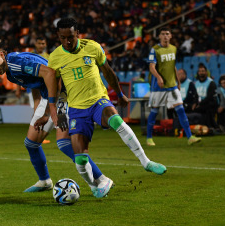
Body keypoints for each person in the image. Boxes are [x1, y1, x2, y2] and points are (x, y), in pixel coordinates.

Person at [46, 17, 167, 199]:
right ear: (58, 36)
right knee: (80, 159)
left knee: (116, 120)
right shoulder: (55, 57)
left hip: (98, 101)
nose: (67, 41)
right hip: (77, 110)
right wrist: (55, 111)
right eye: (63, 38)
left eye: (70, 36)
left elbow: (108, 72)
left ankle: (146, 162)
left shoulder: (93, 47)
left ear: (77, 33)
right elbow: (54, 86)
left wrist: (119, 95)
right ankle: (94, 185)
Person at [0, 43, 109, 193]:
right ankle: (45, 181)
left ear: (1, 55)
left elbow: (50, 74)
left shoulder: (15, 64)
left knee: (65, 143)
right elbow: (34, 82)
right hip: (49, 96)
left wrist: (49, 111)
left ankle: (101, 179)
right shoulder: (11, 70)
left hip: (63, 94)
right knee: (31, 143)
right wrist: (38, 112)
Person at [146, 27, 201, 146]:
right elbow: (151, 67)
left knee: (180, 110)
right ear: (159, 36)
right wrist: (159, 77)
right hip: (158, 87)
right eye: (163, 34)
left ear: (170, 36)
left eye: (167, 34)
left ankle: (190, 137)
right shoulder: (154, 50)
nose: (165, 36)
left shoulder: (173, 49)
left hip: (172, 86)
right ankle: (149, 138)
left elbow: (173, 66)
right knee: (155, 111)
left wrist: (178, 81)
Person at [194, 64, 219, 130]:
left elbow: (210, 97)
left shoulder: (211, 83)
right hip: (200, 103)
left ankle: (211, 127)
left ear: (206, 72)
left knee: (206, 108)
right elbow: (195, 96)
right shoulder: (196, 83)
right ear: (198, 73)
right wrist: (195, 104)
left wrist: (200, 104)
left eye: (203, 71)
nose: (201, 73)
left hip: (210, 103)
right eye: (200, 71)